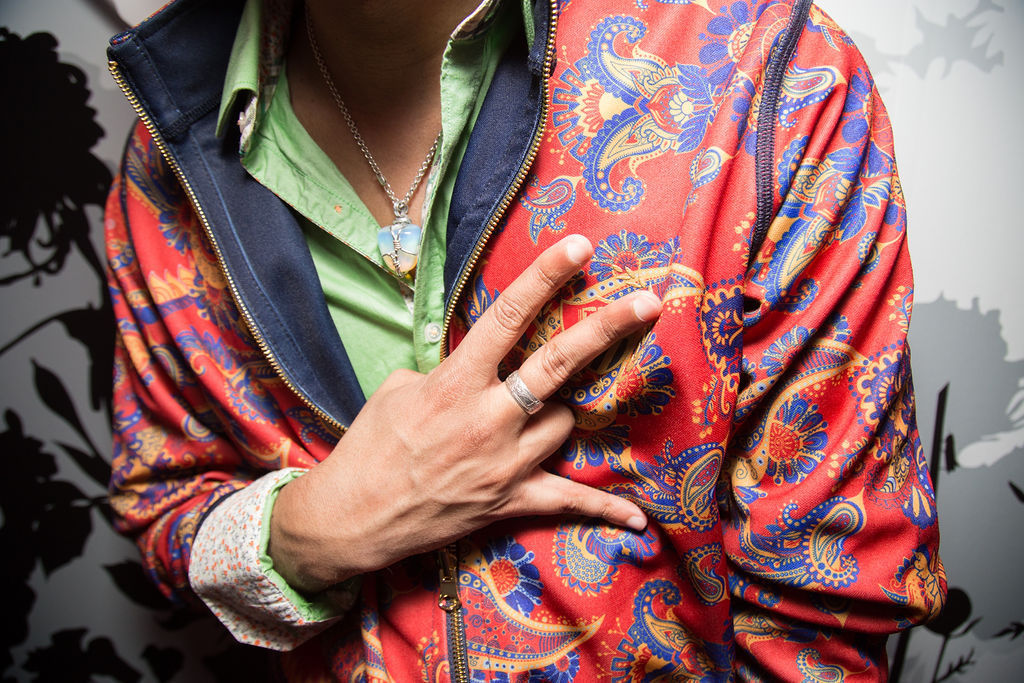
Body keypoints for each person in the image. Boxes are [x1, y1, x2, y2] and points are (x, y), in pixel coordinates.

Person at [105, 0, 946, 679]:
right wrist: (312, 527)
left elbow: (831, 599)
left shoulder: (770, 79)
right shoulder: (166, 150)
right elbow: (165, 500)